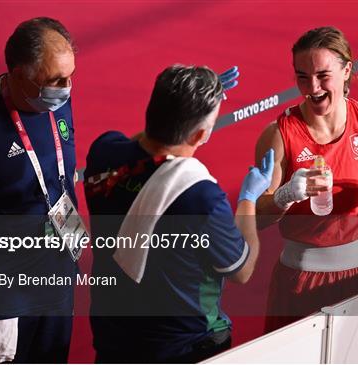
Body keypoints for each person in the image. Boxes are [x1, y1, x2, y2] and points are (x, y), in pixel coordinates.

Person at [84, 64, 273, 363]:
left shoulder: (102, 153)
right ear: (200, 135)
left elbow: (138, 146)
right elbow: (242, 269)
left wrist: (178, 104)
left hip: (113, 338)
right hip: (182, 347)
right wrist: (248, 200)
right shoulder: (201, 198)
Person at [255, 26, 358, 332]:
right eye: (302, 76)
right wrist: (283, 197)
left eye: (322, 75)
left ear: (346, 70)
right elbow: (257, 219)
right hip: (301, 280)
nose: (312, 87)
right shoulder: (278, 135)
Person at [0, 17, 79, 363]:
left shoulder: (58, 100)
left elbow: (58, 176)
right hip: (2, 294)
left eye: (70, 75)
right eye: (55, 79)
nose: (67, 86)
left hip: (56, 274)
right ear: (18, 73)